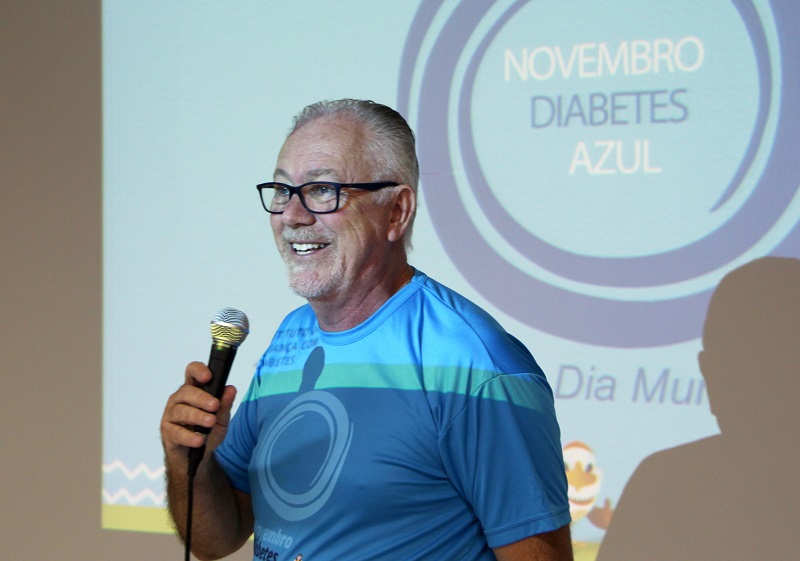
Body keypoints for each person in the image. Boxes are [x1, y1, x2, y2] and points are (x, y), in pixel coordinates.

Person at [161, 99, 573, 561]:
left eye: (322, 190)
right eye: (281, 190)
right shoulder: (291, 337)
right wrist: (188, 462)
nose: (292, 215)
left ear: (397, 211)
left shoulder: (476, 365)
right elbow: (217, 539)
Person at [596, 256, 800, 561]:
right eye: (746, 367)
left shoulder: (664, 484)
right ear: (709, 373)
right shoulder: (664, 487)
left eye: (777, 367)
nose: (765, 387)